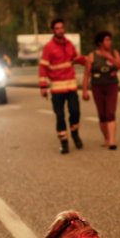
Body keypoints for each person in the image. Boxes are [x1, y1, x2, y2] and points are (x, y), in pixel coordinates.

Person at [39, 19, 88, 154]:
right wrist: (43, 86)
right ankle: (64, 142)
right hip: (57, 88)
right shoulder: (48, 47)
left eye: (61, 28)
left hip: (71, 87)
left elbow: (78, 58)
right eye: (57, 28)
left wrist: (88, 61)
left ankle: (75, 134)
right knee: (60, 116)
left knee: (75, 112)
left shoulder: (69, 44)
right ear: (53, 31)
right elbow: (43, 67)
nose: (60, 30)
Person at [82, 31, 120, 150]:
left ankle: (112, 140)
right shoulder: (92, 55)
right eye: (107, 40)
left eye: (110, 40)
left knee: (110, 112)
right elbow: (86, 75)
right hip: (97, 87)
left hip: (112, 85)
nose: (109, 42)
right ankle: (106, 138)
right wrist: (84, 91)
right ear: (100, 42)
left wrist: (110, 58)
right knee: (102, 114)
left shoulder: (114, 53)